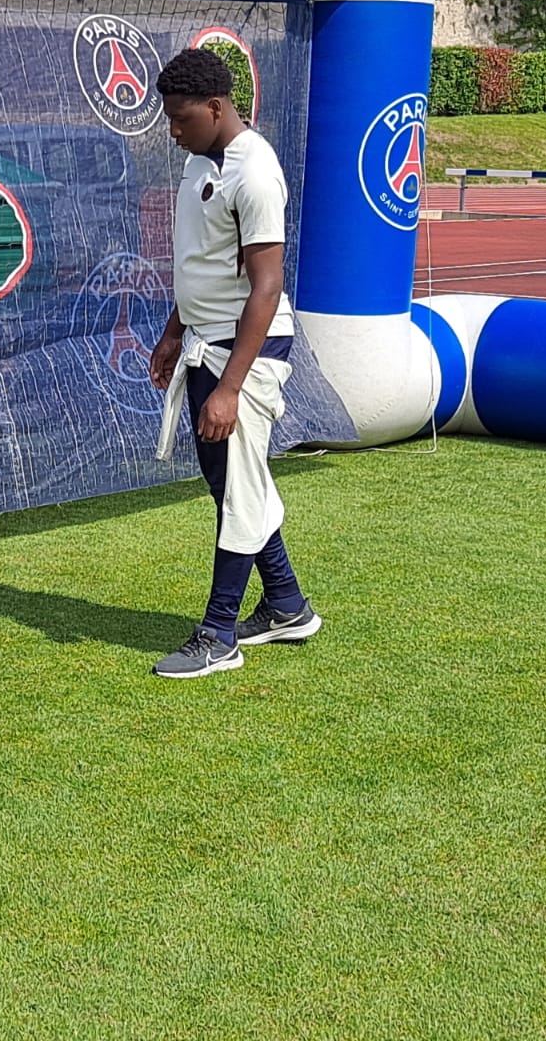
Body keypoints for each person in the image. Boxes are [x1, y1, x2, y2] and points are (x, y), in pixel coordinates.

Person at [147, 47, 322, 679]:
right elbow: (199, 266)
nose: (172, 130)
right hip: (203, 342)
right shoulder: (200, 163)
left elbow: (266, 285)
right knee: (231, 484)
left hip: (242, 353)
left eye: (180, 117)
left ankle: (219, 633)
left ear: (217, 107)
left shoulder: (255, 173)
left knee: (238, 488)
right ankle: (286, 605)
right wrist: (173, 333)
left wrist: (230, 386)